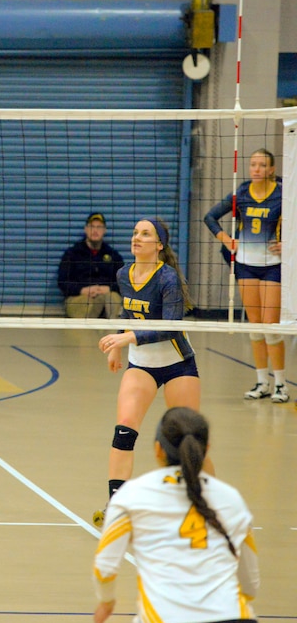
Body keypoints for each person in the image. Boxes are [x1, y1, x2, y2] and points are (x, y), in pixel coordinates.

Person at [92, 407, 259, 623]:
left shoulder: (132, 495)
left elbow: (104, 568)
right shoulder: (231, 498)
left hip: (165, 620)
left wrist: (106, 602)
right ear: (206, 449)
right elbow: (250, 582)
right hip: (235, 618)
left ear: (158, 449)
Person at [94, 218, 213, 527]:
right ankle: (116, 505)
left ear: (159, 245)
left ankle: (212, 501)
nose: (137, 238)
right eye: (134, 233)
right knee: (124, 430)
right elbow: (127, 311)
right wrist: (118, 344)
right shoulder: (124, 273)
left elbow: (170, 327)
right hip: (141, 364)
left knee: (190, 439)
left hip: (177, 364)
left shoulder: (168, 278)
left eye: (145, 234)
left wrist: (128, 337)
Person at [203, 149, 286, 403]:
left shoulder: (284, 194)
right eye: (253, 164)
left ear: (271, 169)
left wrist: (290, 243)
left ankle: (281, 384)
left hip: (273, 264)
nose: (256, 169)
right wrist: (226, 239)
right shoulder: (240, 194)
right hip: (245, 265)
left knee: (270, 327)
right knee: (255, 326)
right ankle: (262, 382)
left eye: (262, 165)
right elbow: (210, 217)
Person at [57, 212, 124, 319]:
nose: (95, 230)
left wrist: (109, 288)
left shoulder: (113, 255)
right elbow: (62, 282)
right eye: (92, 226)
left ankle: (110, 333)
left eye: (99, 227)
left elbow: (123, 282)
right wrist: (82, 290)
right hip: (80, 298)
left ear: (104, 230)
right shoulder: (72, 254)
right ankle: (85, 335)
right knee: (84, 305)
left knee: (113, 298)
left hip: (106, 296)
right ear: (86, 229)